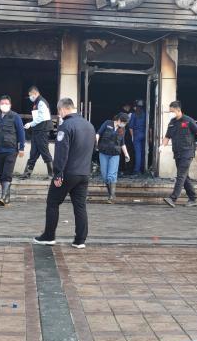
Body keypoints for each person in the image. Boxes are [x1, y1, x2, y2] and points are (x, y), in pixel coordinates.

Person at [34, 98, 94, 248]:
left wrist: (58, 173)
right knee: (80, 206)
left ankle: (49, 236)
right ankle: (80, 240)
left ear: (62, 109)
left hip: (68, 172)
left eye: (59, 111)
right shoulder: (89, 125)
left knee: (52, 202)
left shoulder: (66, 126)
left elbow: (62, 152)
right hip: (84, 172)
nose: (59, 114)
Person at [161, 100, 197, 208]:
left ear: (178, 110)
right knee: (185, 177)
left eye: (172, 111)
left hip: (187, 152)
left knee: (180, 175)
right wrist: (162, 146)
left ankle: (173, 198)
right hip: (177, 152)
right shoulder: (172, 123)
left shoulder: (188, 121)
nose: (170, 113)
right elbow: (167, 136)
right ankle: (193, 199)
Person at [0, 94, 25, 206]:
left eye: (6, 103)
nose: (4, 105)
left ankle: (3, 197)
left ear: (10, 105)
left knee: (7, 174)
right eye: (2, 103)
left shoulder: (15, 117)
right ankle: (6, 198)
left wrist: (21, 148)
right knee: (0, 174)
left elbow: (21, 133)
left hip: (11, 150)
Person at [96, 111, 130, 202]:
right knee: (104, 176)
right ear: (119, 120)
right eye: (123, 122)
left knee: (111, 175)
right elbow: (98, 133)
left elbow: (122, 143)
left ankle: (111, 196)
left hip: (115, 154)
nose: (124, 124)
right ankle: (110, 194)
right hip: (103, 153)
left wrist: (126, 154)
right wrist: (96, 143)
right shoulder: (107, 123)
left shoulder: (122, 129)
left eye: (125, 123)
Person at [20, 85, 53, 179]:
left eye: (30, 95)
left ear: (35, 93)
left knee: (45, 152)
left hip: (42, 131)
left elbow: (42, 117)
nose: (30, 97)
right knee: (33, 153)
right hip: (37, 131)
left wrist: (31, 124)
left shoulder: (41, 102)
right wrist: (32, 125)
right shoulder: (36, 102)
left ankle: (52, 174)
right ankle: (26, 174)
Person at [126, 100, 147, 175]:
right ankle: (143, 169)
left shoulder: (134, 115)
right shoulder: (146, 114)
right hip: (144, 135)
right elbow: (149, 126)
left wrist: (132, 136)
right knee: (143, 152)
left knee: (138, 153)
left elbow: (130, 127)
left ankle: (137, 170)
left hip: (137, 135)